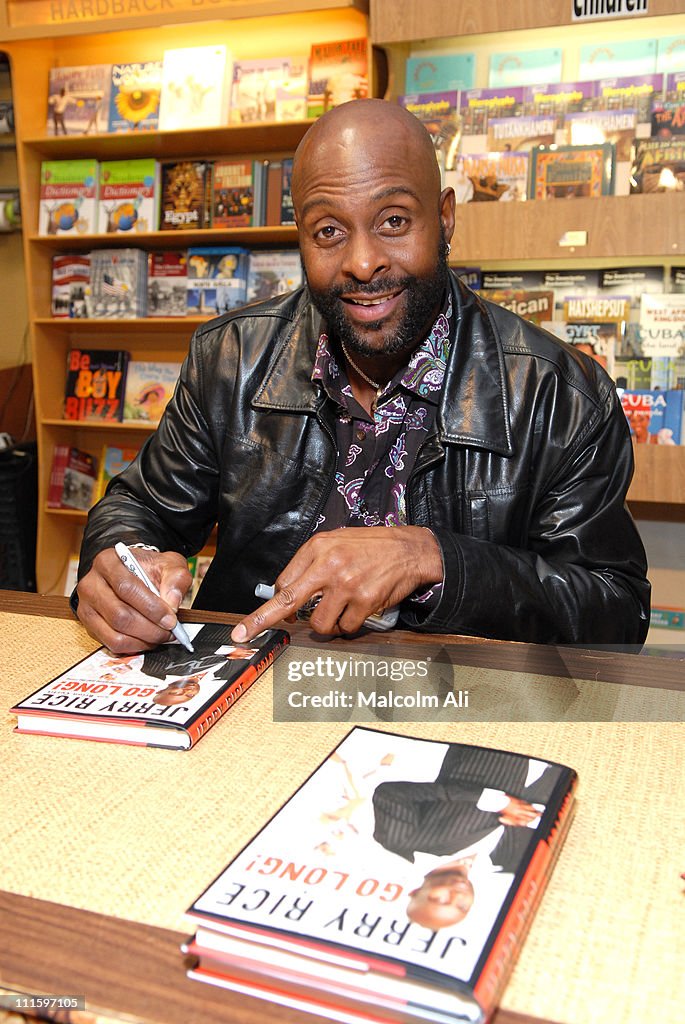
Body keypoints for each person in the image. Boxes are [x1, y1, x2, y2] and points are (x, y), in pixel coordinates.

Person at [74, 98, 650, 654]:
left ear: (445, 219)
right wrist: (124, 564)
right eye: (329, 231)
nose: (362, 262)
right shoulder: (230, 358)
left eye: (393, 221)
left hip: (457, 708)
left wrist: (436, 561)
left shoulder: (560, 393)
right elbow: (139, 509)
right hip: (255, 699)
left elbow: (614, 610)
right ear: (300, 237)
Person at [372, 745, 558, 929]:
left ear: (416, 891)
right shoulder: (508, 863)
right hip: (555, 759)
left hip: (496, 744)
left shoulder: (402, 842)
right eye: (462, 906)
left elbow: (390, 794)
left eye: (440, 899)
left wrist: (496, 801)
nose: (456, 896)